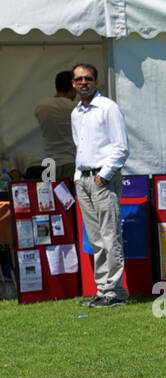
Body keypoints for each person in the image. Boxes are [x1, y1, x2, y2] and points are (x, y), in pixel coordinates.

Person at [69, 63, 130, 307]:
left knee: (109, 235)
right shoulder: (76, 113)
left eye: (88, 78)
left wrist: (103, 175)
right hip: (84, 179)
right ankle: (103, 290)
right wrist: (77, 175)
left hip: (102, 179)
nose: (84, 82)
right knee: (95, 239)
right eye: (79, 79)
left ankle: (115, 293)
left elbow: (121, 147)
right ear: (73, 84)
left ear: (96, 82)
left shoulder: (108, 108)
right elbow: (80, 146)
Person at [32, 71, 77, 181]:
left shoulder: (41, 106)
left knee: (50, 196)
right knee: (70, 196)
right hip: (69, 161)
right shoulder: (75, 108)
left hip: (48, 162)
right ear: (72, 86)